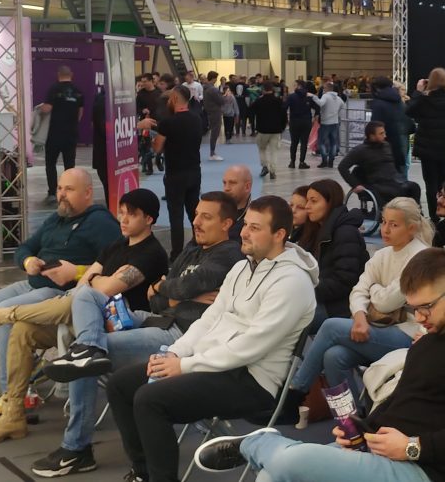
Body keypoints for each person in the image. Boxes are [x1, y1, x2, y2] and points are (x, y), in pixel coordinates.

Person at [195, 248, 445, 482]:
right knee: (272, 474)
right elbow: (404, 404)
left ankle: (256, 442)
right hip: (384, 453)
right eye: (414, 309)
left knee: (290, 461)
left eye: (426, 307)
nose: (420, 317)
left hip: (425, 469)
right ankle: (269, 445)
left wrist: (412, 448)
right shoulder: (429, 342)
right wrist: (361, 431)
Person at [105, 196, 317, 482]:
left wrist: (186, 366)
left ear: (279, 234)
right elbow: (209, 319)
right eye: (246, 225)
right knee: (121, 385)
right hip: (213, 364)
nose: (244, 233)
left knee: (150, 399)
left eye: (255, 228)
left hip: (252, 380)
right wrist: (175, 353)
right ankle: (143, 473)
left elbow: (252, 346)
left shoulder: (293, 282)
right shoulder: (242, 267)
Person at [0, 188, 169, 447]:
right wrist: (98, 279)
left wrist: (96, 280)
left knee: (80, 299)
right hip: (85, 314)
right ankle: (13, 415)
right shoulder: (115, 246)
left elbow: (105, 290)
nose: (123, 219)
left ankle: (0, 315)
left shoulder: (151, 253)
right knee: (22, 330)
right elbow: (87, 283)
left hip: (118, 324)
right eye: (121, 212)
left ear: (149, 219)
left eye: (131, 215)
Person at [0, 169, 120, 412]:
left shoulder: (101, 223)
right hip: (32, 284)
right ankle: (27, 367)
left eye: (69, 189)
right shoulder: (56, 219)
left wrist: (77, 272)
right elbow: (25, 247)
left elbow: (118, 266)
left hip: (59, 294)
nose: (62, 194)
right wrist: (28, 261)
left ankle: (13, 396)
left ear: (87, 193)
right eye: (60, 188)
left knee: (2, 314)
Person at [287, 197, 432, 402]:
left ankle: (296, 390)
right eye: (383, 222)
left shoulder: (420, 257)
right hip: (381, 326)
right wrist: (360, 318)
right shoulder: (384, 254)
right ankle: (350, 418)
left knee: (330, 326)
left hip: (413, 334)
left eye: (394, 225)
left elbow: (386, 302)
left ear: (412, 228)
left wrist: (373, 290)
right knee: (334, 356)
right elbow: (357, 291)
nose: (385, 229)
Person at [297, 179, 368, 332]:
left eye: (313, 201)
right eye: (307, 201)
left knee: (286, 319)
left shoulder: (345, 233)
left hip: (337, 306)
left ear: (330, 203)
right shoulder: (314, 230)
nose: (307, 206)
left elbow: (344, 281)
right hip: (316, 298)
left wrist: (304, 289)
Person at [406, 68, 445, 217]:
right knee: (441, 181)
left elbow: (408, 111)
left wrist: (418, 91)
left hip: (426, 148)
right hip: (444, 147)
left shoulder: (424, 102)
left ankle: (434, 215)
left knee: (430, 183)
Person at [154, 87, 203, 261]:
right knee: (194, 212)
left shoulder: (167, 123)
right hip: (194, 171)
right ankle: (200, 246)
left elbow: (157, 147)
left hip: (175, 174)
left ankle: (176, 254)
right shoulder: (197, 119)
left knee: (176, 215)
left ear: (174, 98)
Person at [338, 121, 421, 205]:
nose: (385, 136)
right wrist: (355, 185)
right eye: (381, 133)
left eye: (384, 132)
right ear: (372, 136)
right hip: (378, 183)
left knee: (414, 187)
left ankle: (415, 211)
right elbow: (342, 167)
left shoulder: (386, 145)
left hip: (394, 180)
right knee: (395, 192)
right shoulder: (360, 150)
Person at [41, 65, 84, 203]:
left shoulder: (53, 89)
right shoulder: (78, 91)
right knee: (69, 165)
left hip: (54, 134)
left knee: (50, 163)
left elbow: (47, 108)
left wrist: (40, 109)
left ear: (58, 74)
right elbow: (80, 113)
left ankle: (52, 193)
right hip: (71, 134)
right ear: (71, 74)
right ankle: (69, 192)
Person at [369, 76, 412, 174]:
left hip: (383, 144)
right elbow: (409, 123)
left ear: (376, 88)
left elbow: (375, 126)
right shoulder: (400, 102)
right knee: (401, 173)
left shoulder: (378, 103)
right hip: (400, 141)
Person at [250, 81, 287, 180]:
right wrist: (282, 127)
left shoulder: (259, 101)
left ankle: (265, 166)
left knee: (262, 149)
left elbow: (251, 111)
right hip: (276, 130)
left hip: (262, 130)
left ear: (263, 90)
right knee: (274, 151)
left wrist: (254, 126)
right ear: (272, 89)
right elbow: (284, 115)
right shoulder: (279, 101)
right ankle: (273, 171)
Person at [311, 81, 344, 168]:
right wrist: (335, 113)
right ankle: (331, 161)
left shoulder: (325, 96)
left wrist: (313, 97)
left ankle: (324, 160)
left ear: (327, 88)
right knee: (333, 143)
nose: (323, 89)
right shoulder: (338, 98)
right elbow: (342, 105)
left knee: (321, 142)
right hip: (335, 122)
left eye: (324, 88)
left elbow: (320, 103)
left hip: (325, 122)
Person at [285, 80, 316, 169]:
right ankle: (302, 162)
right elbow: (317, 107)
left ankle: (292, 162)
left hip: (294, 121)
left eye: (295, 85)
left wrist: (286, 119)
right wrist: (315, 117)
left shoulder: (291, 96)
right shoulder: (309, 97)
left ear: (299, 86)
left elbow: (284, 107)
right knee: (304, 142)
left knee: (294, 142)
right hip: (306, 122)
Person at [222, 165, 253, 243]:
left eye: (232, 183)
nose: (226, 188)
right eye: (224, 183)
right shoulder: (217, 211)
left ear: (247, 187)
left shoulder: (256, 217)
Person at [202, 71, 226, 162]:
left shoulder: (205, 88)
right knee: (215, 132)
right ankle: (212, 153)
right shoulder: (213, 89)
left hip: (209, 111)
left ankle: (212, 152)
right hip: (215, 112)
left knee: (214, 132)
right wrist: (224, 95)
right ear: (214, 78)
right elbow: (221, 101)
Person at [221, 78, 239, 143]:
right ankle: (227, 138)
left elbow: (235, 105)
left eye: (228, 90)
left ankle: (229, 137)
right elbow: (220, 105)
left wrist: (237, 114)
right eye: (226, 90)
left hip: (231, 114)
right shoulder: (222, 97)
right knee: (226, 127)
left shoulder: (232, 97)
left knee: (230, 127)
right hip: (225, 114)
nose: (227, 92)